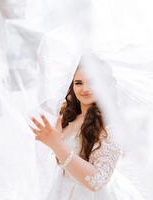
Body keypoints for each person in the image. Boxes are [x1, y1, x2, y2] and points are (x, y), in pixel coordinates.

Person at [29, 66, 122, 199]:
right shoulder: (69, 116)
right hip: (62, 190)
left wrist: (57, 145)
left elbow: (96, 181)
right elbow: (62, 161)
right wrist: (54, 143)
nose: (84, 89)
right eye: (78, 83)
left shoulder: (110, 125)